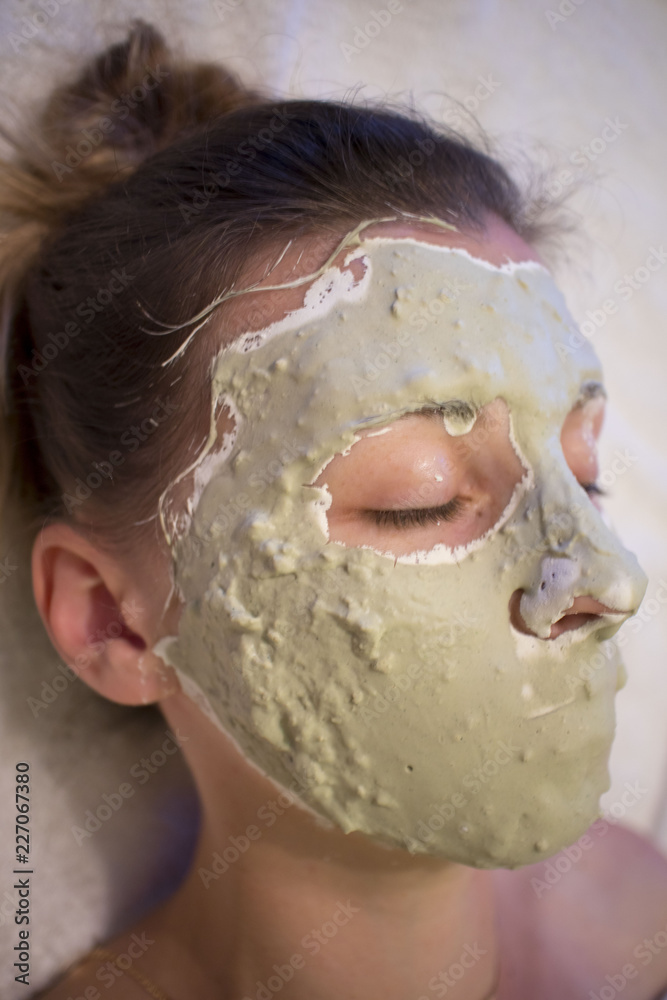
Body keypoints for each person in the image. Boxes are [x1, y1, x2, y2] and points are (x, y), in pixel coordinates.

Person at [1, 18, 666, 1000]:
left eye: (582, 473)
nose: (611, 581)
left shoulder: (636, 918)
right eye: (422, 499)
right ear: (112, 618)